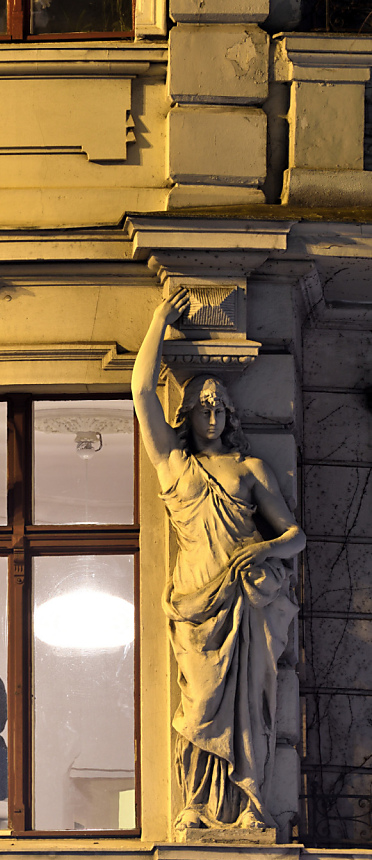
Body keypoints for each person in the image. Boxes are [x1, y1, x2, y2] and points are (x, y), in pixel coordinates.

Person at [132, 288, 306, 831]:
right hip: (195, 603)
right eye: (201, 407)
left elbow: (296, 536)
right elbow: (139, 392)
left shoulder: (250, 469)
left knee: (251, 704)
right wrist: (160, 320)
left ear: (228, 414)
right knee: (200, 703)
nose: (209, 414)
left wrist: (263, 547)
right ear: (187, 413)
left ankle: (247, 804)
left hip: (244, 599)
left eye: (217, 407)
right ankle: (197, 805)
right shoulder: (174, 466)